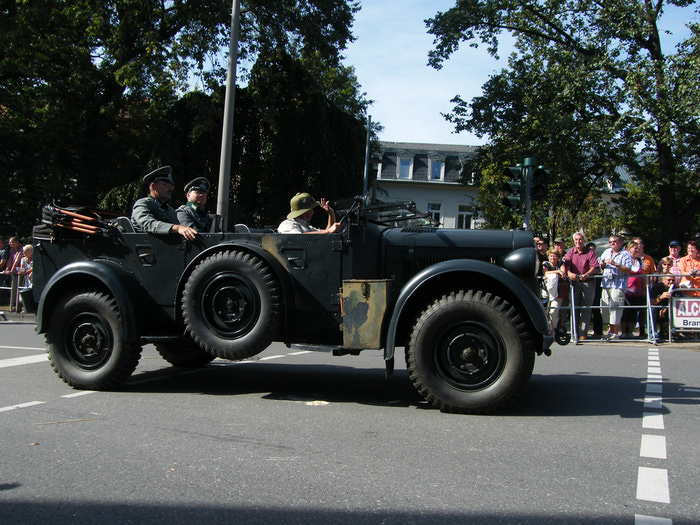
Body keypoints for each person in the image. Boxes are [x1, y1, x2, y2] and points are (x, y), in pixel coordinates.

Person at [131, 166, 197, 241]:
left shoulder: (170, 211)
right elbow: (148, 224)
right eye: (166, 185)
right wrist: (176, 228)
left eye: (171, 186)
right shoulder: (143, 204)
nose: (170, 189)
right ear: (153, 186)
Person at [564, 232, 600, 340]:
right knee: (574, 307)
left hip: (588, 282)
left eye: (580, 239)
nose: (578, 242)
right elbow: (566, 267)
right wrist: (570, 274)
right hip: (574, 282)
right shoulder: (570, 252)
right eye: (576, 240)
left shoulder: (590, 252)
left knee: (586, 308)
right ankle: (574, 331)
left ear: (584, 241)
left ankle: (583, 332)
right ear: (574, 241)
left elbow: (594, 267)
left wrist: (586, 275)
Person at [599, 234, 633, 340]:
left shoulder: (626, 254)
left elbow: (628, 269)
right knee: (606, 307)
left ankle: (615, 332)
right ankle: (609, 330)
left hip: (618, 284)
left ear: (621, 243)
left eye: (614, 241)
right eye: (610, 242)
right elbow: (601, 268)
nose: (612, 243)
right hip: (606, 283)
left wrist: (615, 264)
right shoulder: (606, 252)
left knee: (615, 307)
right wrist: (602, 264)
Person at [620, 240, 644, 338]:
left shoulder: (640, 261)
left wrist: (643, 289)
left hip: (637, 291)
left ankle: (630, 332)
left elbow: (642, 276)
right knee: (625, 311)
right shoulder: (624, 260)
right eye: (634, 248)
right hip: (626, 290)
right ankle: (623, 332)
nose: (636, 250)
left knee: (634, 311)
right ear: (629, 249)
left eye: (637, 248)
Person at [542, 247, 567, 334]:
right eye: (551, 256)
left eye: (555, 256)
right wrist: (557, 271)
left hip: (558, 292)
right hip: (546, 292)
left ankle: (553, 330)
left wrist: (558, 273)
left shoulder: (561, 263)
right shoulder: (545, 264)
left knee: (554, 311)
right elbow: (545, 273)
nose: (553, 258)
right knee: (545, 311)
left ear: (558, 257)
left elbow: (563, 273)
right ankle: (546, 330)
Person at [649, 260, 676, 339]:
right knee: (652, 309)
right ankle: (652, 333)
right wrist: (661, 298)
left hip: (668, 310)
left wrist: (665, 309)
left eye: (673, 280)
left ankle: (673, 332)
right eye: (669, 280)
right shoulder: (657, 287)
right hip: (657, 309)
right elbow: (651, 302)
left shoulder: (676, 288)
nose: (671, 282)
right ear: (663, 280)